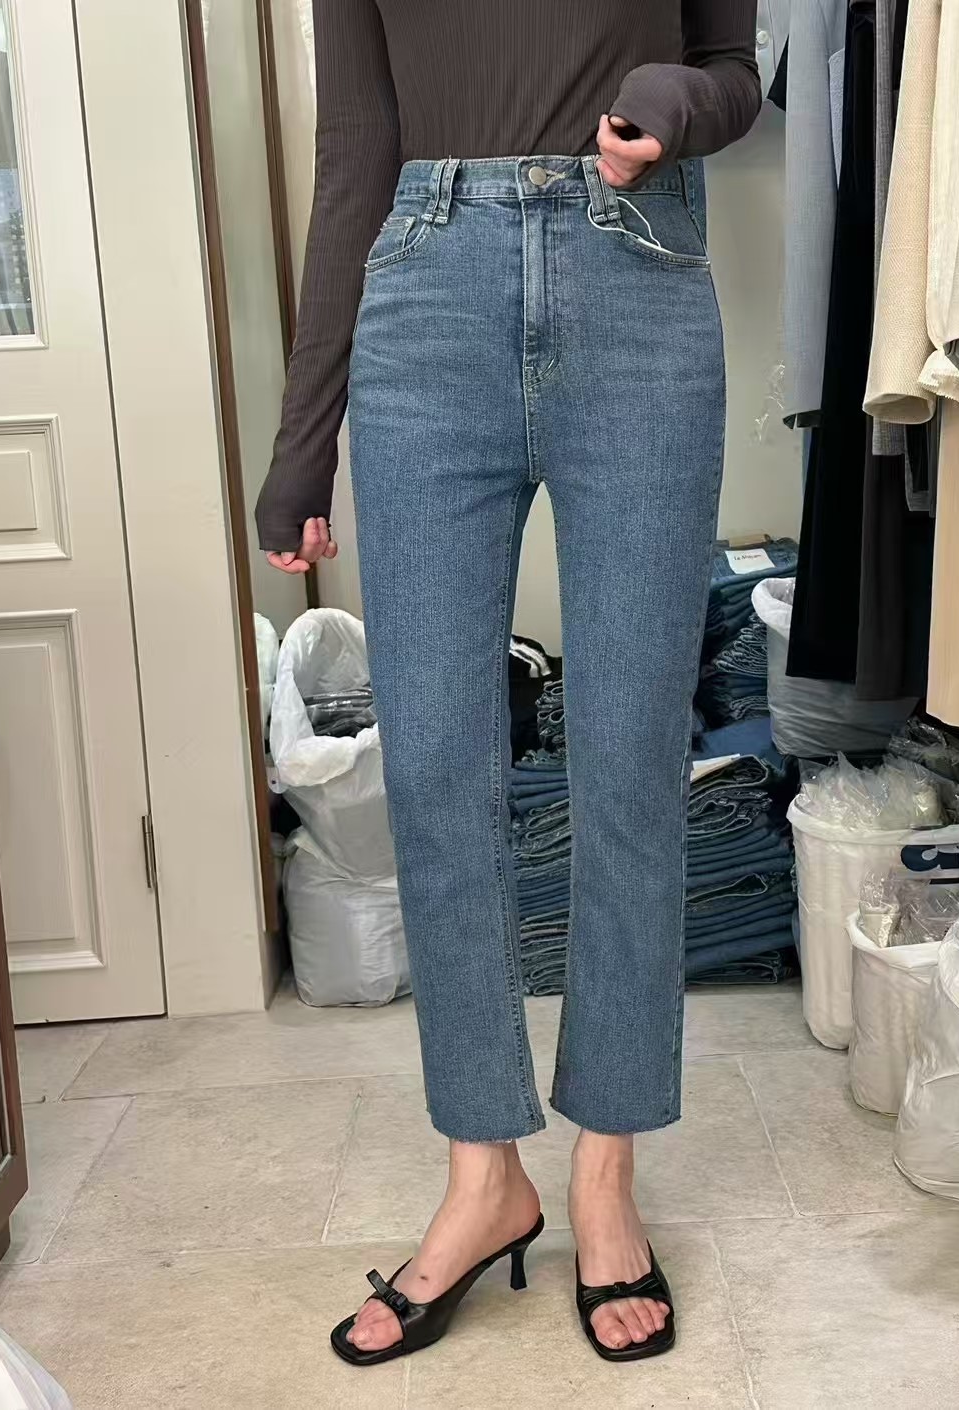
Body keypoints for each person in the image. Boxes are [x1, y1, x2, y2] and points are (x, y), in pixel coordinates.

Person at [256, 0, 761, 1366]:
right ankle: (485, 1177)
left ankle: (605, 1173)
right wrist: (303, 443)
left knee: (628, 757)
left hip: (636, 279)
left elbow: (735, 73)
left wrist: (672, 100)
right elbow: (356, 149)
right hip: (426, 292)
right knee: (433, 770)